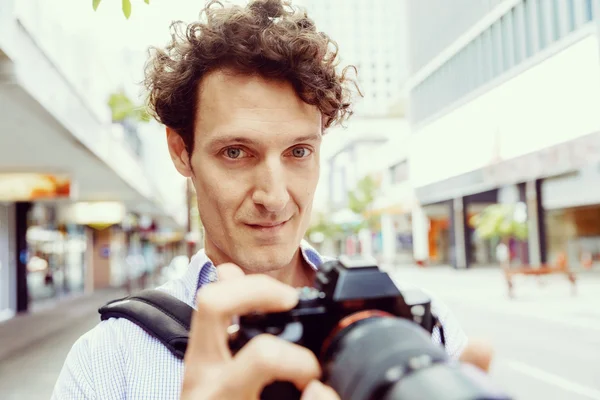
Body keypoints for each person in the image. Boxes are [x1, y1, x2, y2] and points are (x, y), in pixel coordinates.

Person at [52, 0, 492, 399]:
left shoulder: (414, 327)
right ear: (181, 151)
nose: (274, 196)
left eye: (298, 152)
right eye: (236, 153)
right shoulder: (109, 361)